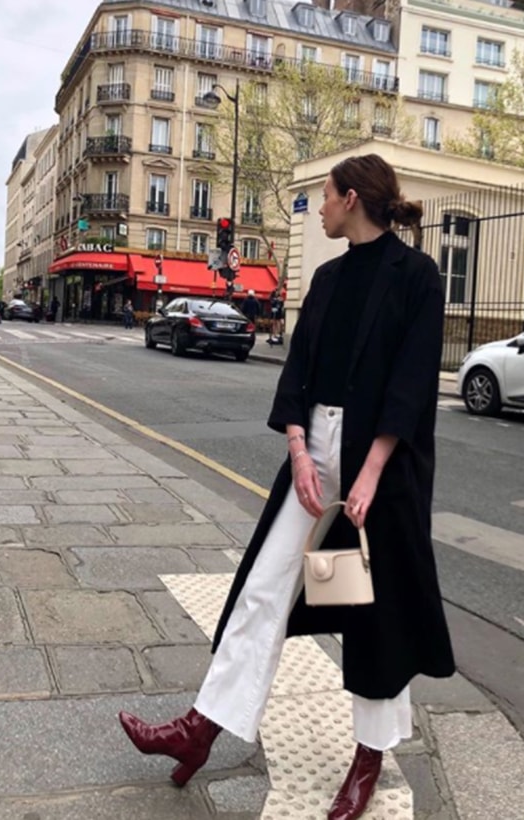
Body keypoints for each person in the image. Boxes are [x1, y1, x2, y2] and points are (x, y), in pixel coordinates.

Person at [118, 154, 455, 820]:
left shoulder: (416, 276)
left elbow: (411, 384)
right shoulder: (327, 279)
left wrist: (369, 475)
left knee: (372, 617)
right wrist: (300, 452)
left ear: (351, 198)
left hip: (380, 471)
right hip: (317, 454)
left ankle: (368, 758)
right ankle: (200, 729)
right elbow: (297, 372)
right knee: (261, 590)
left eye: (324, 198)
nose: (319, 209)